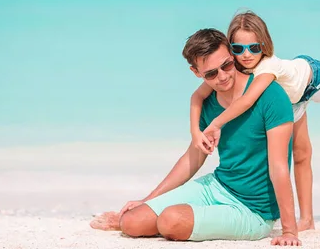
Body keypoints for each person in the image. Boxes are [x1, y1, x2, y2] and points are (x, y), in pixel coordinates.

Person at [190, 10, 320, 231]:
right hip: (290, 102)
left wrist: (215, 124)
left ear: (264, 44)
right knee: (301, 154)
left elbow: (246, 101)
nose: (246, 55)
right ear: (230, 49)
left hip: (310, 81)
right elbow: (197, 96)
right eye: (238, 49)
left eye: (254, 48)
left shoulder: (267, 68)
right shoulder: (230, 66)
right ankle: (307, 220)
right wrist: (195, 130)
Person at [116, 28, 302, 245]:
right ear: (196, 73)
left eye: (226, 65)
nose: (222, 77)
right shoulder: (208, 103)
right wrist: (148, 199)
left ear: (232, 56)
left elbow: (279, 167)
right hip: (218, 186)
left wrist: (289, 231)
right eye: (211, 74)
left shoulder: (271, 95)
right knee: (131, 223)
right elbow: (192, 158)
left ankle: (194, 218)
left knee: (171, 220)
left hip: (253, 211)